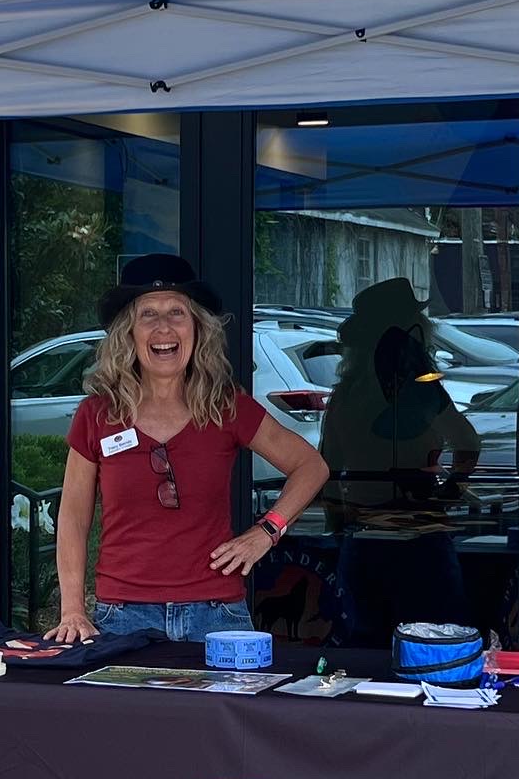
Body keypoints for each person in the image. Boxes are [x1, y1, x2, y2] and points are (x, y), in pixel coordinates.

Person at [47, 254, 328, 644]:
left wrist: (267, 531)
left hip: (216, 614)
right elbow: (74, 517)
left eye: (176, 312)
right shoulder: (98, 413)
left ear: (197, 327)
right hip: (123, 615)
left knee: (235, 708)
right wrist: (73, 609)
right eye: (148, 314)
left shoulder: (226, 405)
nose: (164, 327)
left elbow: (310, 465)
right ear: (129, 332)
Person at [319, 277, 481, 643]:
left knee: (366, 643)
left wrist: (339, 525)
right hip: (421, 539)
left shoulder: (346, 395)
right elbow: (467, 443)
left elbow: (327, 467)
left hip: (364, 535)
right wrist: (451, 490)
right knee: (437, 641)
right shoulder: (422, 390)